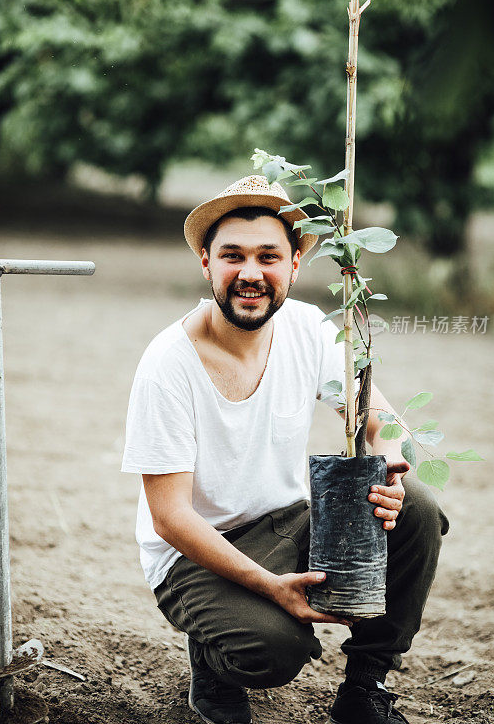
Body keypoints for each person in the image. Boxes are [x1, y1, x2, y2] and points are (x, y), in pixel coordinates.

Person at [122, 175, 449, 724]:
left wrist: (390, 459)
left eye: (268, 256)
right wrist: (272, 588)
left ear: (295, 264)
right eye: (233, 255)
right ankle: (211, 659)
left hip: (287, 523)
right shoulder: (167, 365)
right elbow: (170, 517)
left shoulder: (311, 330)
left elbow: (377, 418)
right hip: (193, 555)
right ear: (207, 263)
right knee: (275, 650)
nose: (251, 273)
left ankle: (365, 688)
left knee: (416, 506)